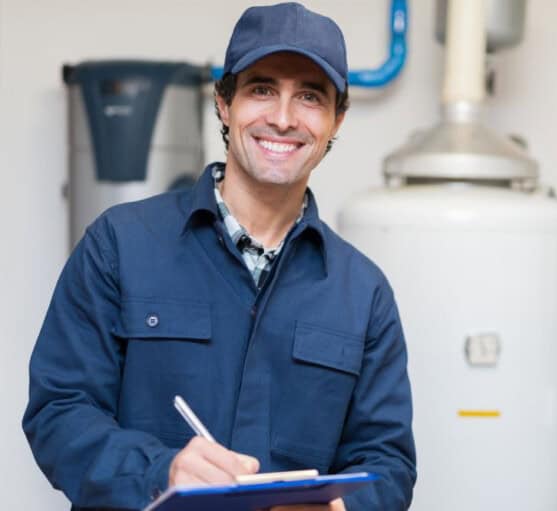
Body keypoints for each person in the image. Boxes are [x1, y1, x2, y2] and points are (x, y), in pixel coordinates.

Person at [22, 3, 416, 510]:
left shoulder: (363, 293)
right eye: (262, 89)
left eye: (310, 97)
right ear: (224, 103)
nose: (282, 117)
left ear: (337, 119)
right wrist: (160, 470)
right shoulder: (119, 244)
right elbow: (58, 412)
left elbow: (387, 462)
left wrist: (340, 509)